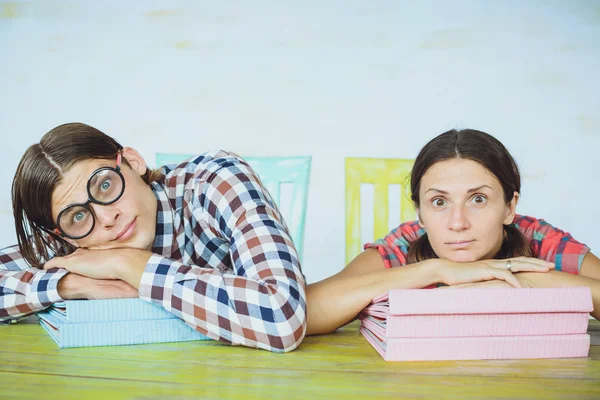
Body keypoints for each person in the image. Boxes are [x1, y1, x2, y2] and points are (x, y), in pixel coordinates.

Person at [0, 122, 306, 353]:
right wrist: (69, 284)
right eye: (78, 215)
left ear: (133, 162)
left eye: (105, 185)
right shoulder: (77, 237)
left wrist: (131, 265)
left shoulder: (214, 181)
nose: (107, 219)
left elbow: (282, 315)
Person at [306, 129, 600, 335]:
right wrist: (434, 270)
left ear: (510, 207)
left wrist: (522, 278)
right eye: (439, 202)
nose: (457, 222)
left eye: (478, 199)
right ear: (419, 212)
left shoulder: (538, 239)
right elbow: (302, 313)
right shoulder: (404, 244)